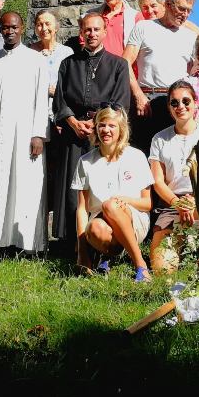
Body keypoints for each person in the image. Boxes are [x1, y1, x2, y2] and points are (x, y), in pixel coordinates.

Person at [50, 12, 132, 244]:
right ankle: (71, 241)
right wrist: (73, 122)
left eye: (96, 29)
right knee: (72, 187)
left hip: (104, 134)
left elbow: (120, 102)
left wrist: (97, 124)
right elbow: (60, 100)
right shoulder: (68, 64)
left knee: (101, 186)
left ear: (105, 32)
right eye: (87, 30)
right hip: (74, 132)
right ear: (81, 33)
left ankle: (102, 239)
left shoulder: (118, 65)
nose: (92, 34)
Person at [0, 12, 49, 253]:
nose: (10, 31)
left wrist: (39, 134)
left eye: (14, 27)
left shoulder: (36, 60)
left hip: (26, 132)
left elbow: (41, 100)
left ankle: (24, 242)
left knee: (25, 185)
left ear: (22, 28)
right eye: (5, 28)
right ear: (0, 30)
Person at [71, 105, 154, 280]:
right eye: (102, 125)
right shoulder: (85, 162)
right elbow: (82, 209)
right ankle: (106, 255)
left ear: (121, 130)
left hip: (134, 221)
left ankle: (140, 265)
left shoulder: (136, 156)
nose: (106, 130)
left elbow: (147, 204)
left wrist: (124, 200)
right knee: (94, 227)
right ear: (96, 129)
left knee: (110, 205)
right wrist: (82, 254)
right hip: (101, 224)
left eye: (112, 126)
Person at [123, 0, 198, 152]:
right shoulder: (143, 27)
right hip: (147, 102)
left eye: (189, 11)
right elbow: (125, 62)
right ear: (168, 4)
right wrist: (138, 95)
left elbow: (195, 72)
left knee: (174, 154)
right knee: (143, 153)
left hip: (177, 104)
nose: (185, 14)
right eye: (182, 9)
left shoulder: (190, 37)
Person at [147, 81, 199, 272]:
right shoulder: (159, 139)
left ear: (195, 102)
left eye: (186, 101)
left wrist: (195, 201)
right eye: (174, 103)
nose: (180, 107)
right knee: (162, 270)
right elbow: (158, 181)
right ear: (169, 107)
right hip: (171, 204)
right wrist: (178, 204)